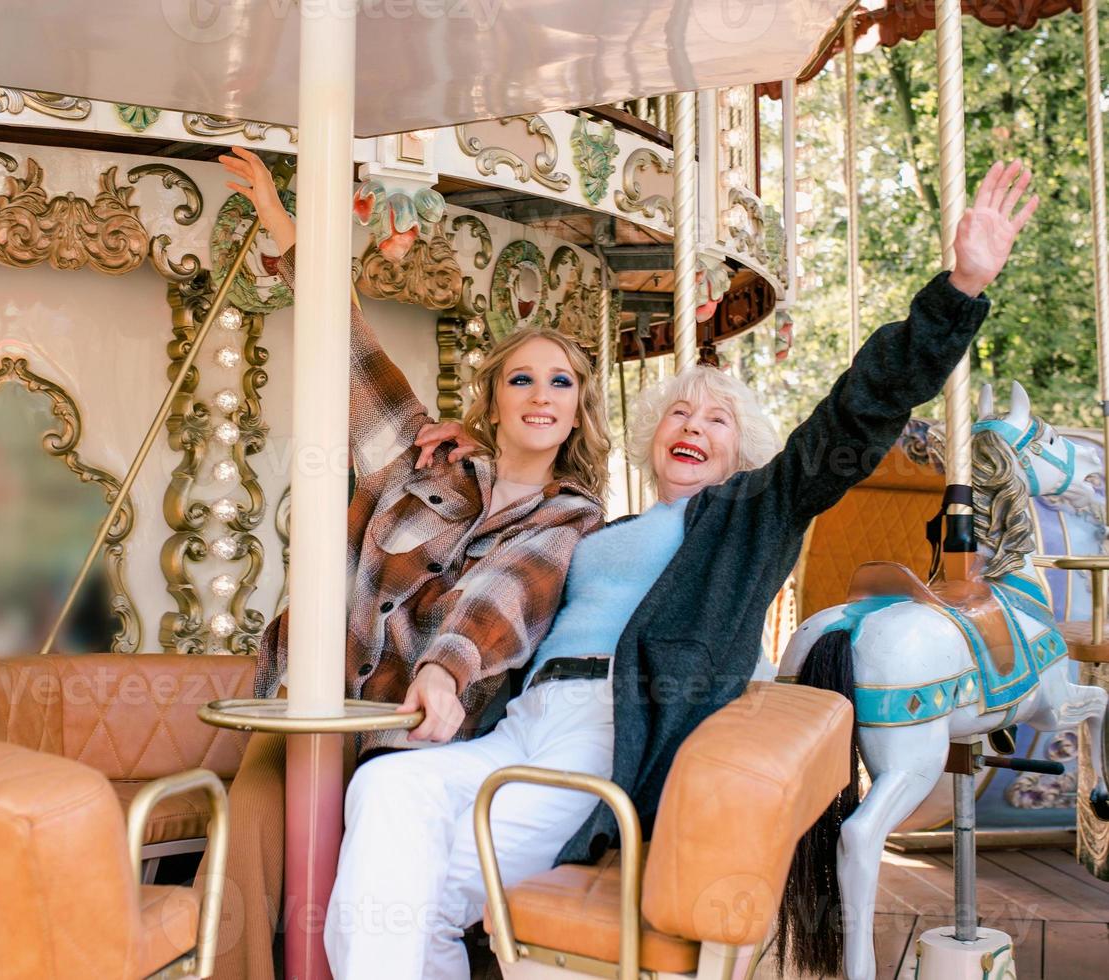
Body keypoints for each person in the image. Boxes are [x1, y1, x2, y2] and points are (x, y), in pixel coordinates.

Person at [325, 160, 1038, 979]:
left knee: (441, 893)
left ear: (746, 452)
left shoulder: (745, 517)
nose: (692, 425)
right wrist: (480, 439)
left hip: (604, 731)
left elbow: (860, 408)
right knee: (382, 794)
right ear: (652, 436)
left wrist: (957, 289)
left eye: (717, 419)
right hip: (520, 722)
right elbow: (499, 564)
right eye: (678, 412)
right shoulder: (589, 523)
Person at [205, 147, 611, 980]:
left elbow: (500, 600)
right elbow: (348, 351)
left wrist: (444, 673)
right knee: (248, 836)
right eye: (524, 379)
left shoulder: (570, 517)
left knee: (376, 875)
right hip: (316, 700)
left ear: (577, 410)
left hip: (410, 729)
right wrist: (293, 239)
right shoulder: (418, 462)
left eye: (561, 383)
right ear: (492, 396)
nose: (541, 395)